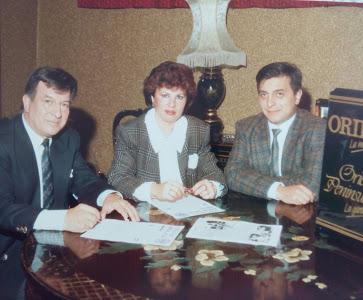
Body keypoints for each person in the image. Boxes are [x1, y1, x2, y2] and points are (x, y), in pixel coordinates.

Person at [0, 66, 139, 299]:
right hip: (8, 254)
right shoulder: (3, 142)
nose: (57, 113)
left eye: (64, 104)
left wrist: (110, 197)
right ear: (26, 102)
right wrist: (63, 218)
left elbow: (85, 179)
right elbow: (3, 209)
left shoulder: (68, 139)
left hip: (53, 249)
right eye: (48, 101)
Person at [108, 61, 226, 202]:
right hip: (146, 212)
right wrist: (154, 190)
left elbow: (215, 173)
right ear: (152, 98)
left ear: (187, 101)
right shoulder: (130, 132)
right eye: (165, 95)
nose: (172, 104)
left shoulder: (198, 130)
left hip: (187, 212)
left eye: (179, 97)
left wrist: (212, 186)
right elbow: (117, 177)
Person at [225, 62, 326, 205]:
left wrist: (254, 182)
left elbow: (314, 183)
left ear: (297, 96)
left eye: (279, 94)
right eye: (264, 95)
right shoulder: (246, 127)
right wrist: (278, 190)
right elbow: (232, 174)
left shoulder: (317, 128)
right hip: (257, 212)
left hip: (299, 215)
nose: (270, 103)